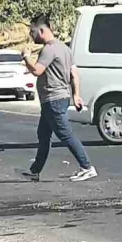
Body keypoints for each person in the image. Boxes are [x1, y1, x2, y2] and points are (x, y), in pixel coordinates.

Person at [21, 14, 97, 182]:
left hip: (53, 99)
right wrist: (76, 95)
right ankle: (35, 171)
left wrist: (26, 57)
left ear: (41, 30)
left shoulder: (49, 50)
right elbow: (74, 74)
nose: (31, 36)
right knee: (43, 134)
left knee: (65, 134)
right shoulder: (64, 48)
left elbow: (37, 71)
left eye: (32, 32)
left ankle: (87, 167)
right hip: (59, 98)